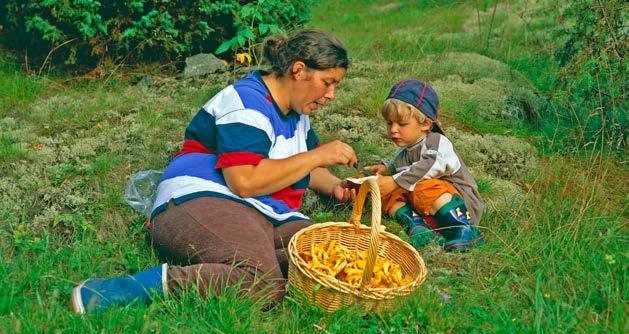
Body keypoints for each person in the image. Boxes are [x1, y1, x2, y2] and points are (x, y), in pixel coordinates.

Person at [70, 29, 358, 314]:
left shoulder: (298, 116)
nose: (331, 94)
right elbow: (244, 181)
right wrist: (317, 155)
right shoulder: (248, 103)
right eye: (327, 82)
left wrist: (334, 185)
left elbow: (300, 165)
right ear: (298, 70)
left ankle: (244, 263)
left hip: (262, 211)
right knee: (264, 283)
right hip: (204, 199)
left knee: (332, 250)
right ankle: (124, 290)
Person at [364, 79, 485, 252]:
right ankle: (417, 225)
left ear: (426, 124)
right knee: (387, 190)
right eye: (389, 123)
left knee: (421, 186)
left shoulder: (437, 143)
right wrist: (384, 170)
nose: (393, 130)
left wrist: (395, 181)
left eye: (402, 124)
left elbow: (428, 166)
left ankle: (465, 229)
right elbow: (396, 164)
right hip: (427, 208)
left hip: (462, 205)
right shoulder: (404, 151)